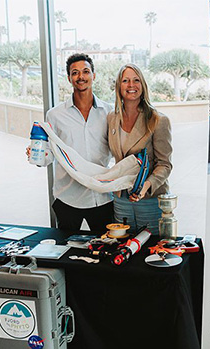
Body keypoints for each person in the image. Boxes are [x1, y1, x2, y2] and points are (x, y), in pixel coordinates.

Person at [27, 53, 113, 233]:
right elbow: (50, 154)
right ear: (69, 78)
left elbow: (118, 149)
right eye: (75, 73)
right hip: (67, 197)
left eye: (86, 71)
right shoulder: (55, 115)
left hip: (102, 196)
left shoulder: (109, 112)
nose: (81, 77)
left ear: (94, 75)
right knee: (66, 252)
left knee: (106, 251)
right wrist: (38, 155)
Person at [107, 63, 172, 235]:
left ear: (142, 85)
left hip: (150, 199)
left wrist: (145, 186)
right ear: (118, 86)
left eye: (136, 80)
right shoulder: (112, 118)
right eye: (125, 80)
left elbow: (165, 164)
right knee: (123, 248)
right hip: (121, 200)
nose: (131, 85)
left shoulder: (158, 120)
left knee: (150, 252)